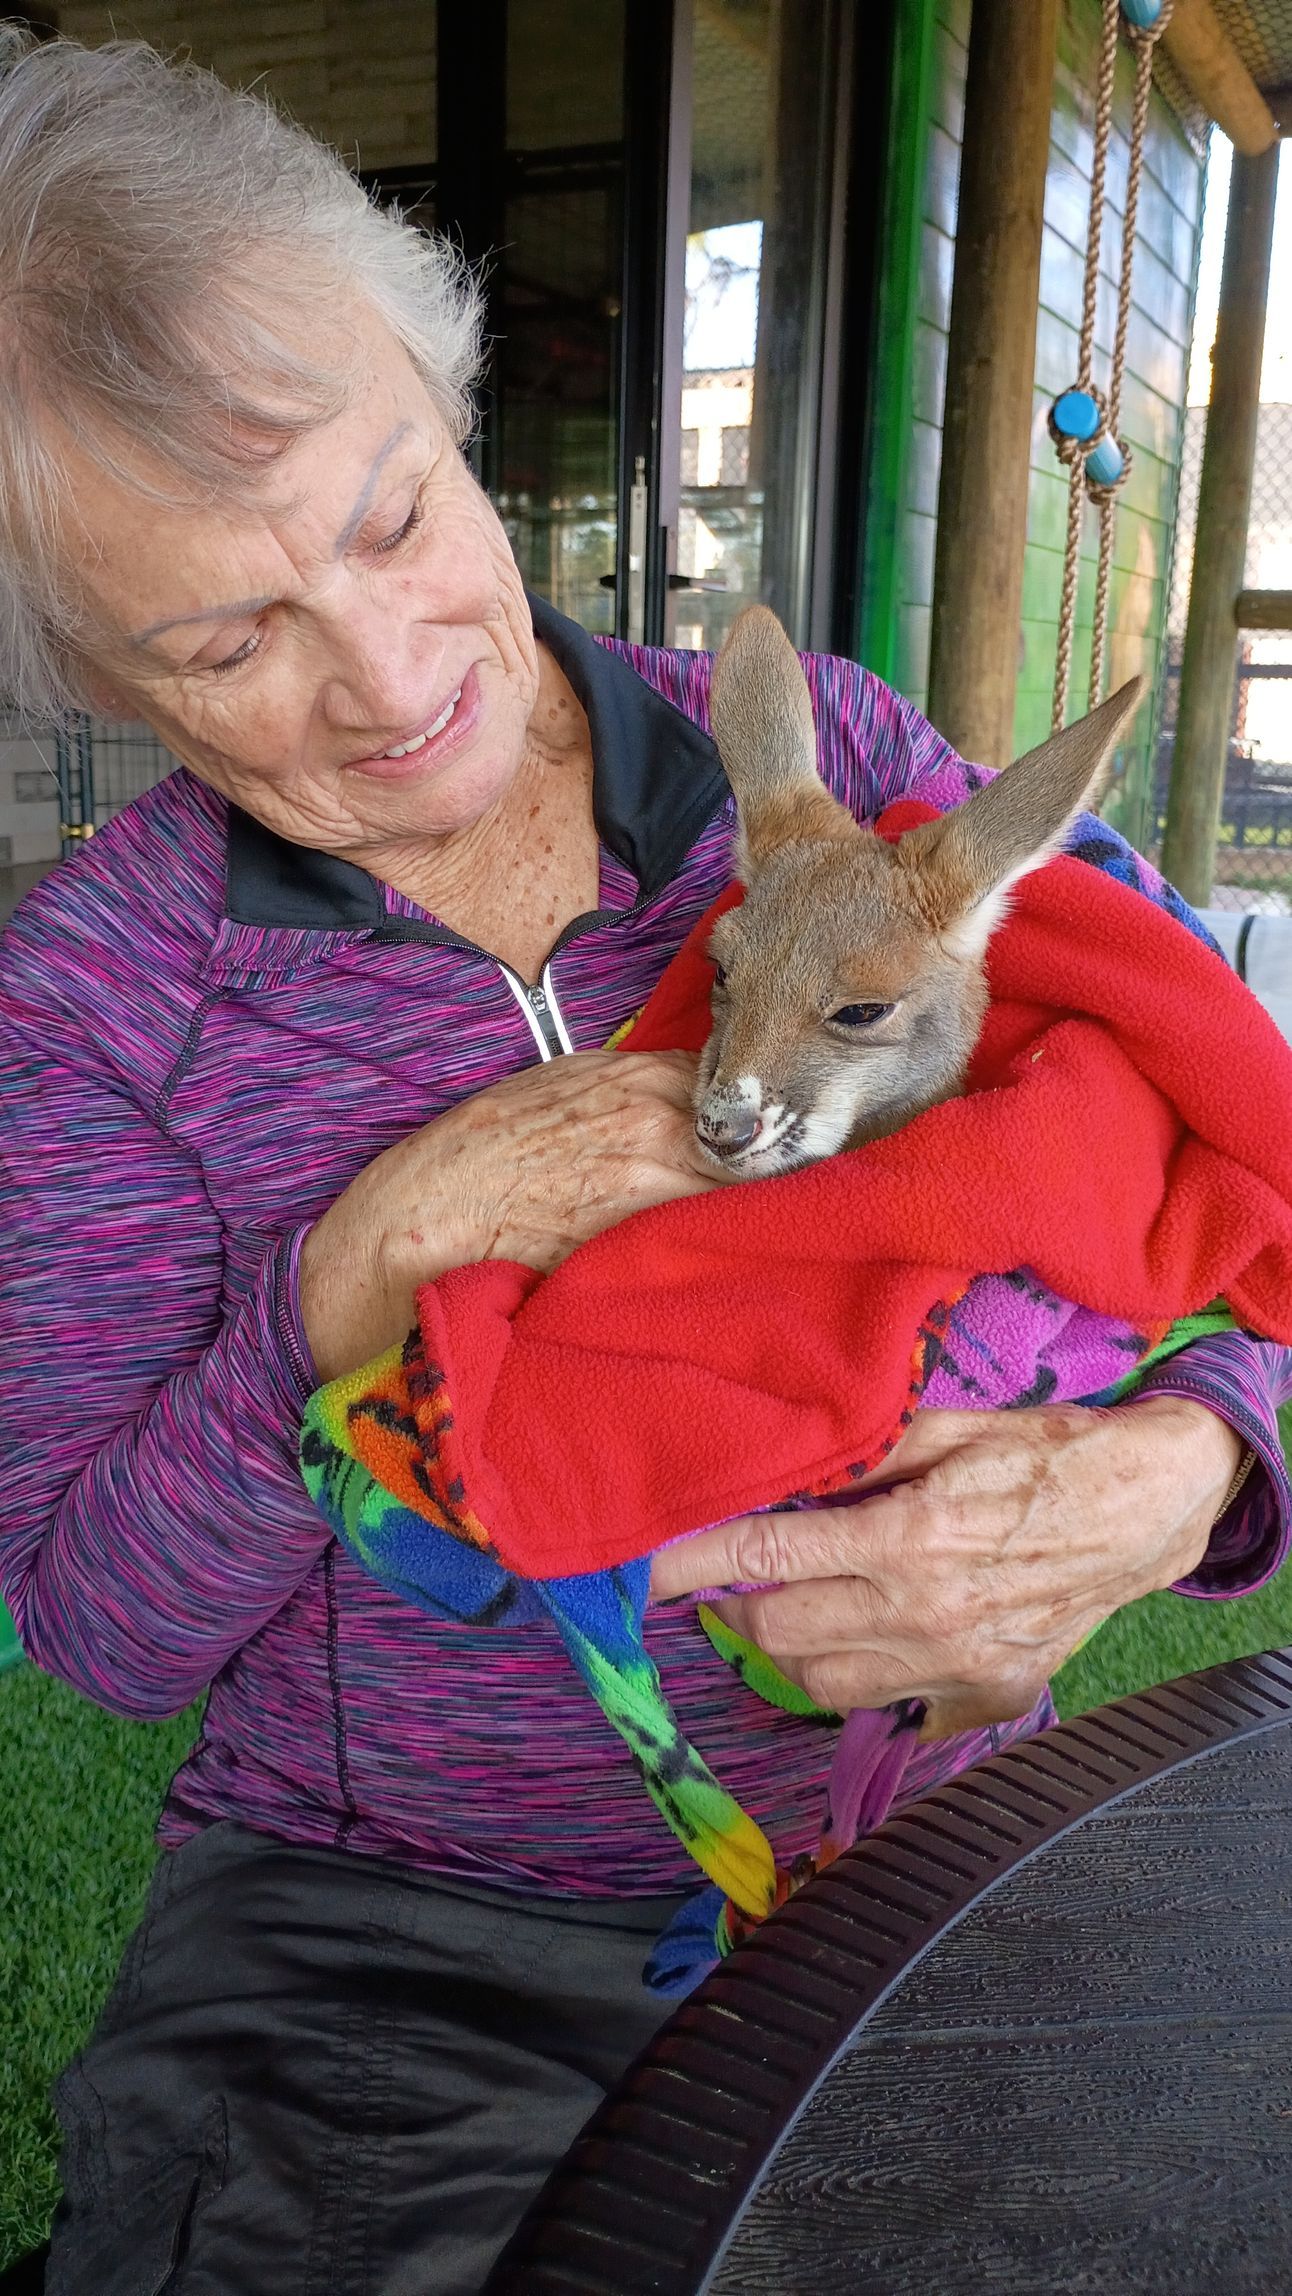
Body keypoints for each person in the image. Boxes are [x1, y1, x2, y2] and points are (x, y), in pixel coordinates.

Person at [0, 35, 1286, 2296]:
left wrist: (1182, 1470)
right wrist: (369, 1252)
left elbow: (1235, 1152)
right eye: (226, 636)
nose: (389, 678)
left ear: (457, 398)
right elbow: (98, 1630)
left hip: (916, 1836)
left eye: (397, 518)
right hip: (387, 1937)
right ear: (90, 667)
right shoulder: (98, 999)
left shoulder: (839, 785)